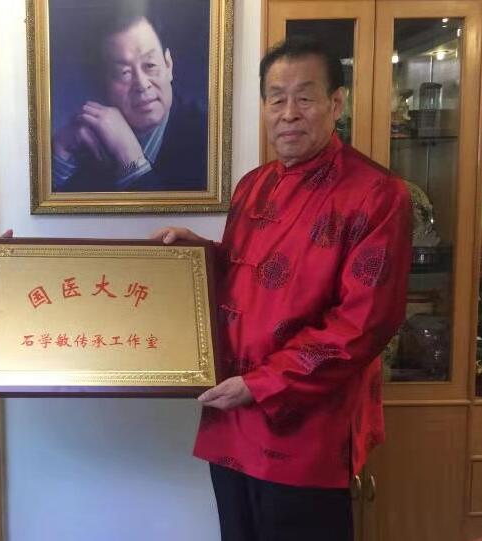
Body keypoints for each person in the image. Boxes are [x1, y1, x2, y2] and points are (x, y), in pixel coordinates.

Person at [152, 37, 412, 540]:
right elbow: (247, 272)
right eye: (276, 98)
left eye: (305, 97)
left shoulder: (377, 195)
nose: (289, 113)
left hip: (305, 426)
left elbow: (363, 324)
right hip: (232, 417)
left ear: (336, 103)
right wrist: (198, 255)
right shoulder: (254, 185)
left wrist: (262, 384)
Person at [52, 10, 207, 192]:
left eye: (150, 65)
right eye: (124, 73)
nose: (142, 84)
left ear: (168, 65)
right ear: (102, 82)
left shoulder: (207, 134)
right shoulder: (87, 139)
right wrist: (59, 156)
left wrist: (130, 159)